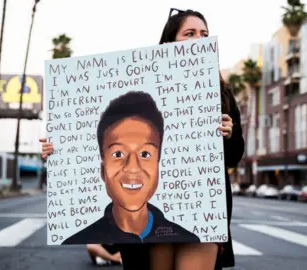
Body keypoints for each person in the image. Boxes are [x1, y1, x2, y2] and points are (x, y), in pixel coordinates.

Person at [41, 8, 244, 270]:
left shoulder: (220, 91)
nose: (199, 39)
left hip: (201, 211)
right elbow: (104, 136)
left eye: (204, 34)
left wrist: (229, 135)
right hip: (154, 212)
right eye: (190, 33)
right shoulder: (140, 81)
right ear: (170, 42)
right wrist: (60, 148)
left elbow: (234, 157)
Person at [61, 91, 200, 245]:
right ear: (102, 171)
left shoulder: (187, 239)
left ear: (158, 166)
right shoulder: (78, 239)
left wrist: (227, 134)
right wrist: (55, 152)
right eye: (118, 153)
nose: (132, 167)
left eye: (145, 154)